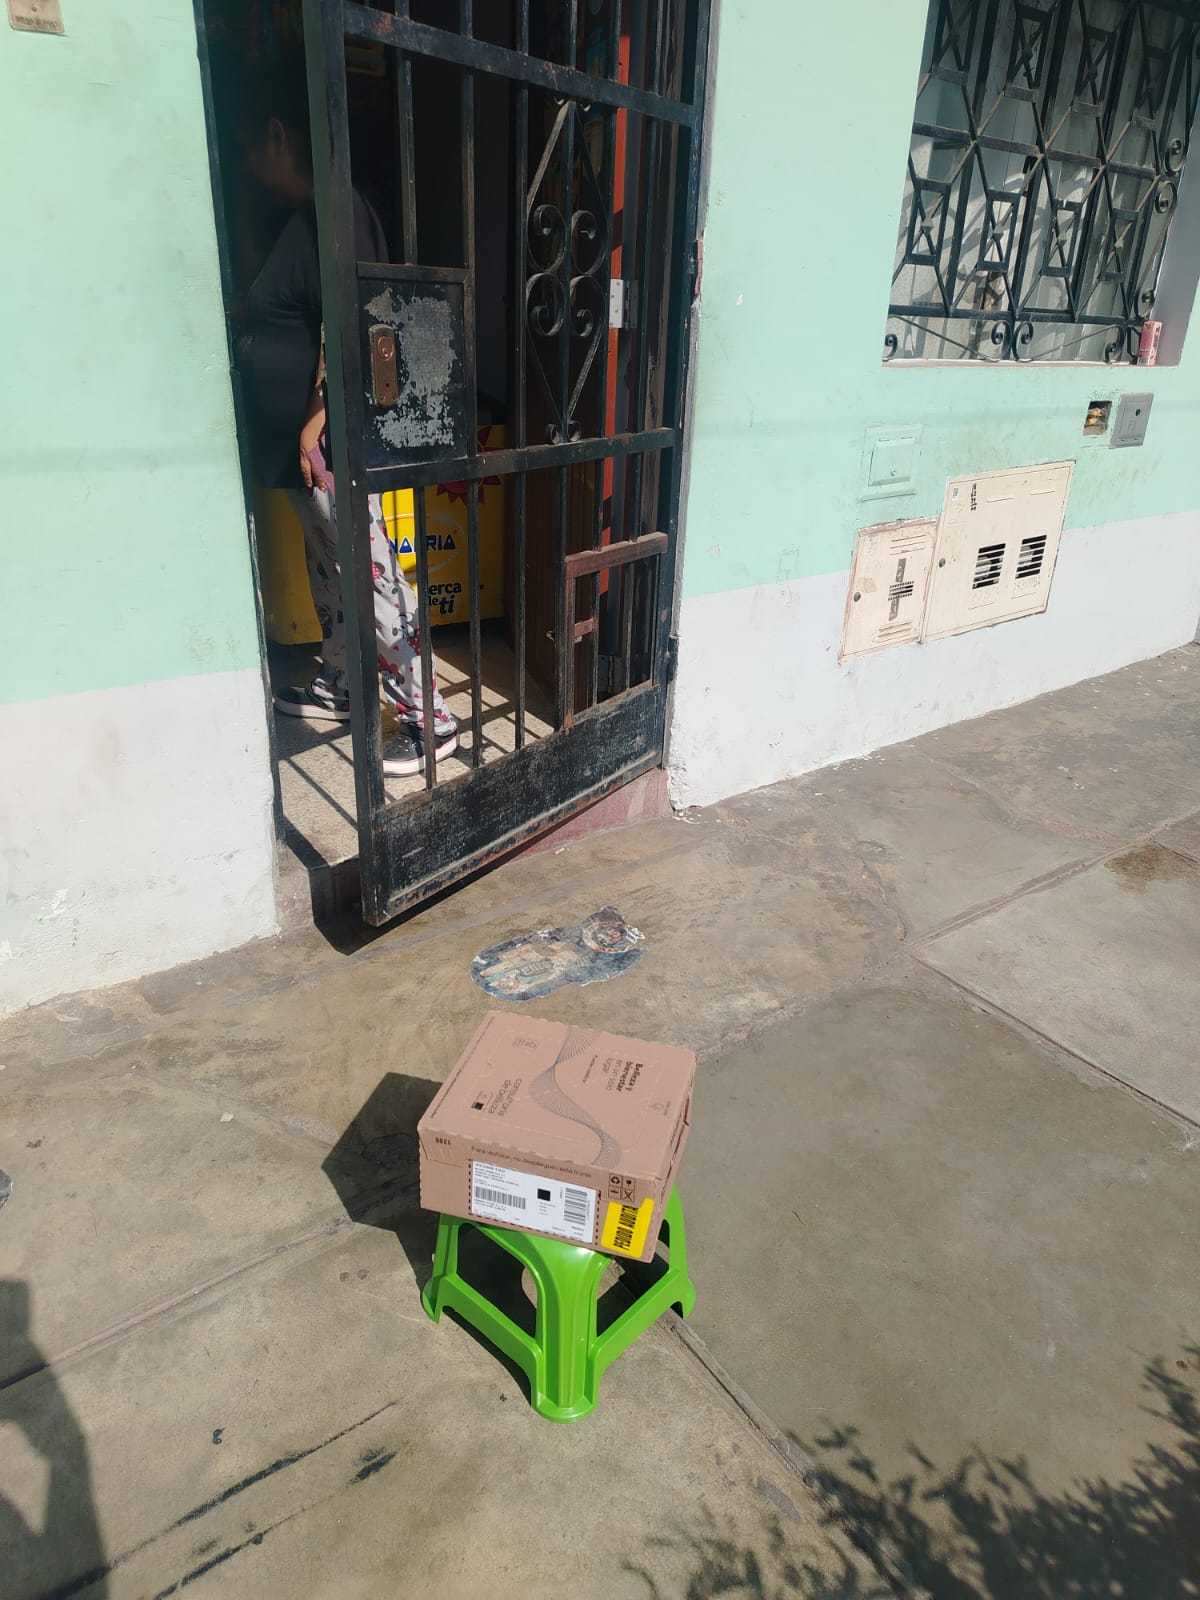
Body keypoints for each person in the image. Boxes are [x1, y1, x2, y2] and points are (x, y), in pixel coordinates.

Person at [234, 64, 457, 776]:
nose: (248, 167)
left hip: (329, 443)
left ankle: (429, 717)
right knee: (331, 567)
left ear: (278, 136)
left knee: (369, 571)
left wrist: (315, 420)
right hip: (303, 449)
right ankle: (342, 682)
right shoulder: (302, 220)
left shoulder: (338, 212)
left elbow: (360, 326)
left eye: (251, 149)